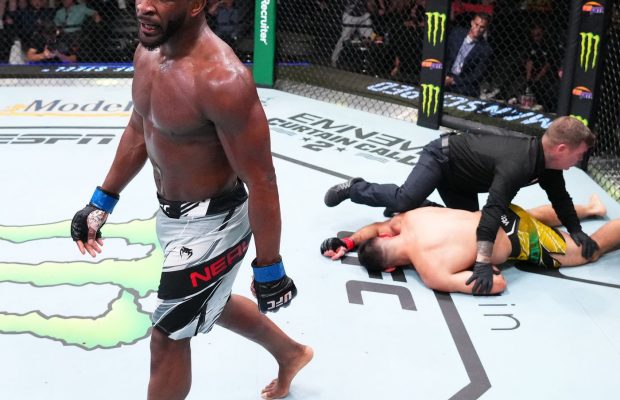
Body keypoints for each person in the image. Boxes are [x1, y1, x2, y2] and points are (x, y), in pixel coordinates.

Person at [69, 0, 312, 398]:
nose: (143, 6)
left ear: (197, 4)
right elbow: (139, 127)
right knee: (208, 302)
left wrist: (270, 267)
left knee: (168, 335)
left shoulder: (222, 79)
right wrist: (102, 201)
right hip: (171, 215)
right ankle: (290, 353)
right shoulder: (147, 53)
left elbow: (262, 180)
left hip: (216, 224)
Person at [323, 116, 599, 295]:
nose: (579, 160)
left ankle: (424, 206)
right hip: (442, 157)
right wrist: (483, 261)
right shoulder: (518, 163)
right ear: (561, 149)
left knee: (463, 227)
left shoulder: (547, 165)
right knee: (405, 199)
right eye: (579, 154)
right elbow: (493, 209)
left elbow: (560, 197)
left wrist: (576, 230)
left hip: (463, 181)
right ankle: (355, 187)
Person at [321, 195, 618, 295]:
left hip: (520, 239)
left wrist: (482, 264)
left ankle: (601, 219)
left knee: (590, 251)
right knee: (533, 215)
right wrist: (349, 242)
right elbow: (375, 227)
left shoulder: (432, 272)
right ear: (385, 238)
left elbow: (496, 284)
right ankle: (591, 208)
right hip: (500, 211)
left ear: (390, 268)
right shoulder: (409, 219)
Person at [444, 12, 492, 97]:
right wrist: (445, 75)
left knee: (467, 91)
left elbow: (477, 75)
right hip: (446, 73)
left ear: (486, 29)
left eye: (482, 27)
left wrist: (453, 80)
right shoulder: (456, 33)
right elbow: (445, 54)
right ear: (472, 23)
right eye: (476, 24)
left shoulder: (485, 49)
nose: (478, 29)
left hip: (463, 82)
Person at [330, 0, 374, 67]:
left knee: (371, 36)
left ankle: (369, 61)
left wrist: (380, 8)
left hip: (364, 16)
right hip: (350, 16)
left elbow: (371, 5)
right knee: (344, 38)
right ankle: (334, 59)